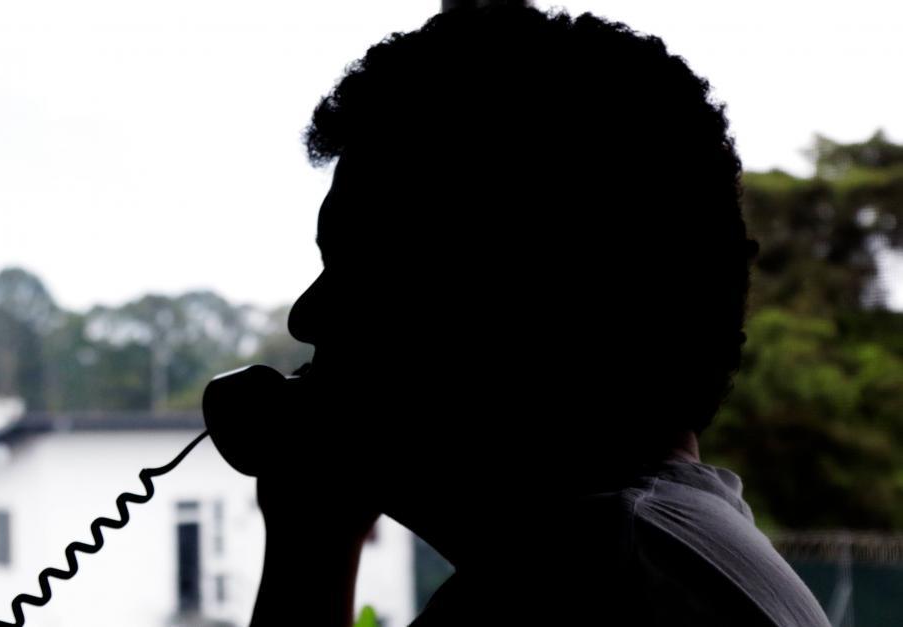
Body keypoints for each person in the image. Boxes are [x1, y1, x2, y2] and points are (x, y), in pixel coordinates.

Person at [251, 6, 831, 626]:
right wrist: (315, 520)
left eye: (367, 266)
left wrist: (310, 542)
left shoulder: (580, 580)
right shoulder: (676, 548)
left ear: (527, 296)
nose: (308, 318)